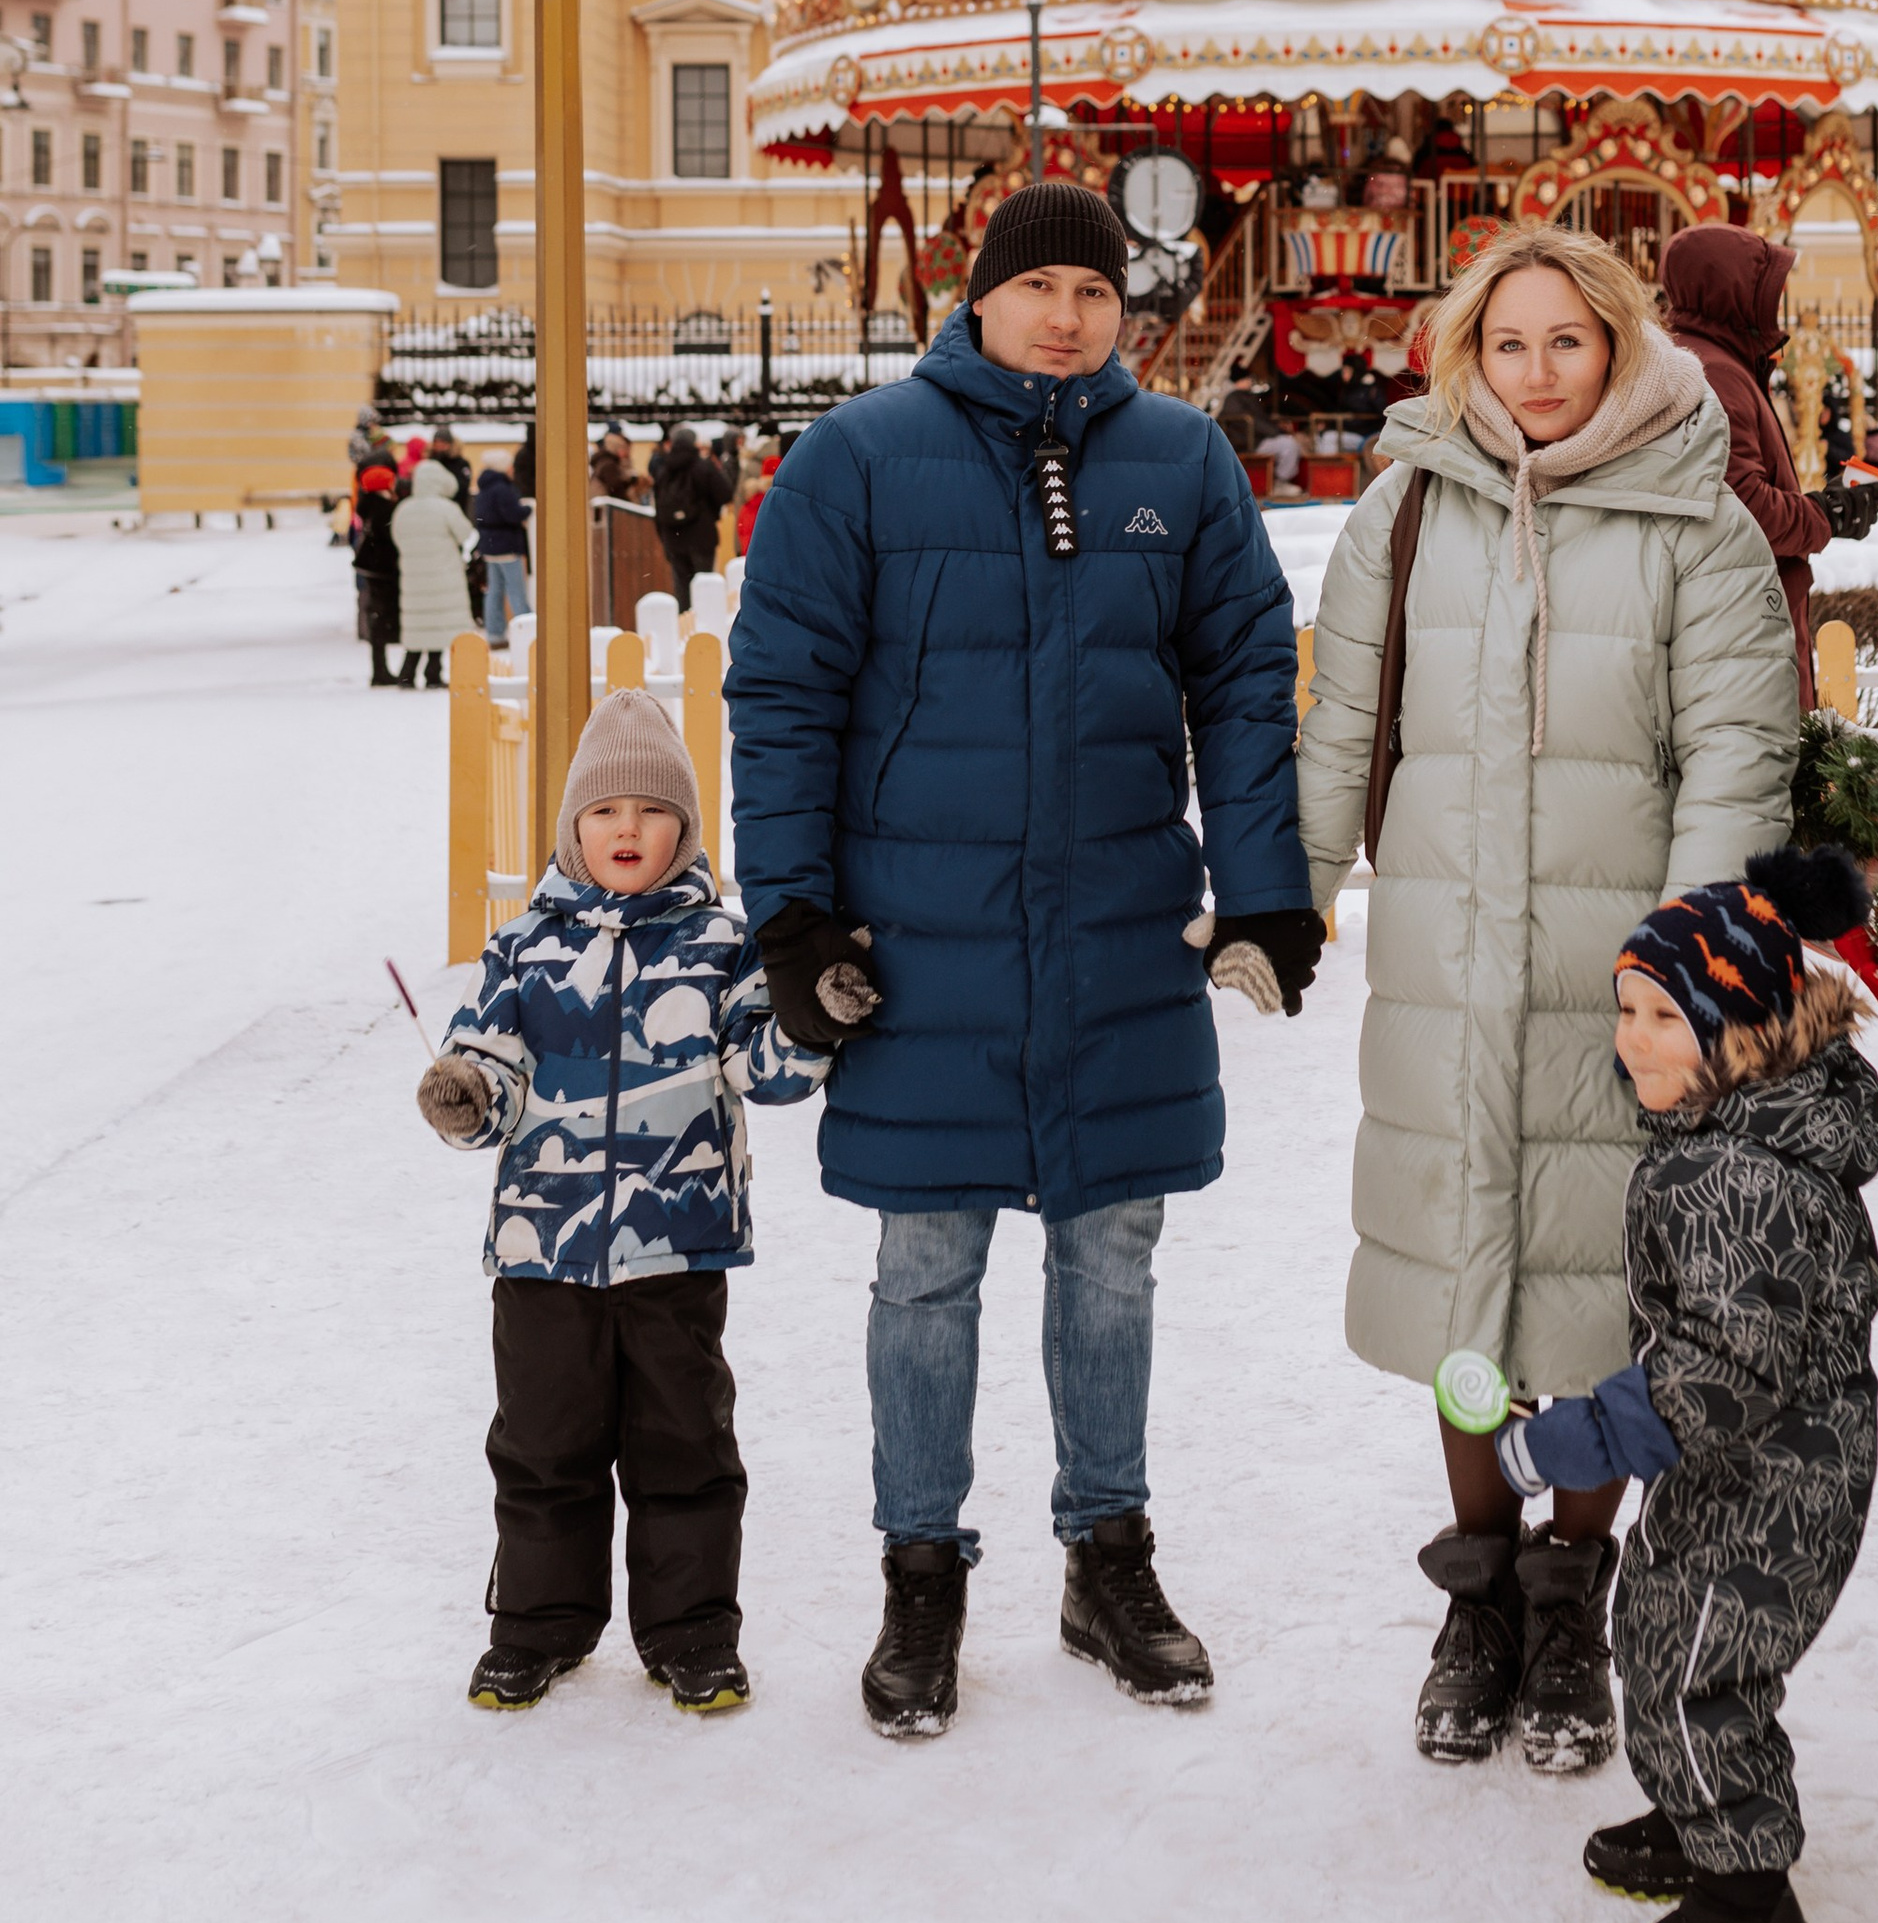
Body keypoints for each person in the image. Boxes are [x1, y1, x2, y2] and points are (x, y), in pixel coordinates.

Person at [726, 180, 1320, 1740]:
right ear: (976, 296)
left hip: (1120, 929)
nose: (1068, 313)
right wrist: (791, 911)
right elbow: (782, 691)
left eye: (1097, 288)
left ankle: (1105, 1551)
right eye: (1039, 283)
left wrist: (1264, 894)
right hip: (921, 943)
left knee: (1112, 1258)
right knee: (926, 1269)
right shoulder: (859, 458)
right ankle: (921, 1570)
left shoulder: (1180, 462)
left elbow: (1249, 681)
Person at [1296, 224, 1799, 1775]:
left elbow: (1738, 742)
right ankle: (1480, 1596)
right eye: (1509, 345)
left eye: (1566, 343)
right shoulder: (1406, 511)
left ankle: (1571, 1593)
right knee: (1469, 1281)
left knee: (1597, 1294)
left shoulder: (1695, 527)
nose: (1537, 373)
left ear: (1621, 343)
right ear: (1468, 352)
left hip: (1617, 976)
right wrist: (1291, 896)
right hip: (1448, 960)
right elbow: (1341, 719)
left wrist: (1689, 959)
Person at [1502, 845, 1878, 1923]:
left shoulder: (1738, 1178)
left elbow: (1721, 1372)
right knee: (1663, 1624)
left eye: (1664, 1016)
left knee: (1698, 1671)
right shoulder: (1718, 1144)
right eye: (1625, 1008)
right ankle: (1694, 1813)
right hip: (1738, 1468)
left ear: (1735, 1029)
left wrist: (1578, 1440)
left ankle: (1749, 1898)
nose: (1632, 1039)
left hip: (1781, 1479)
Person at [412, 691, 836, 1714]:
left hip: (674, 1250)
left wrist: (814, 1018)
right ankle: (537, 1627)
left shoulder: (719, 945)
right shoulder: (524, 950)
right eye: (605, 813)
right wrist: (461, 1099)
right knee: (543, 1447)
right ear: (573, 830)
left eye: (651, 811)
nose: (627, 830)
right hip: (541, 1253)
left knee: (682, 1448)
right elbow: (489, 1071)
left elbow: (761, 1067)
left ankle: (691, 1634)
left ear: (684, 829)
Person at [1658, 225, 1839, 710]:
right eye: (1767, 290)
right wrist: (1825, 516)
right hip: (1748, 619)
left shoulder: (1708, 360)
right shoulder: (1714, 372)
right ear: (1733, 292)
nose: (1776, 305)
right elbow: (1743, 509)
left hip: (1739, 613)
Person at [390, 454, 476, 687]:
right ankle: (433, 672)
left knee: (419, 624)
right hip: (444, 575)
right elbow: (466, 533)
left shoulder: (403, 509)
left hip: (414, 578)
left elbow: (396, 537)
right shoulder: (446, 508)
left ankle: (407, 673)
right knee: (439, 622)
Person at [651, 422, 733, 607]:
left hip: (674, 539)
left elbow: (658, 507)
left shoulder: (663, 470)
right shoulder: (703, 467)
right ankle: (705, 630)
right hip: (701, 536)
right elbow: (725, 494)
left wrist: (664, 538)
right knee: (705, 589)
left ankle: (684, 631)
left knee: (682, 590)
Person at [474, 445, 532, 646]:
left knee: (494, 592)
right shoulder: (502, 488)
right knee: (516, 591)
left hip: (490, 546)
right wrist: (526, 510)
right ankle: (527, 632)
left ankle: (495, 634)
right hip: (507, 545)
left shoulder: (485, 487)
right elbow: (512, 514)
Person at [353, 463, 402, 685]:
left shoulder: (369, 505)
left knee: (377, 617)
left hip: (372, 567)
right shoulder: (384, 508)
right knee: (381, 618)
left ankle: (379, 669)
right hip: (383, 569)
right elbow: (390, 539)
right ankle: (381, 671)